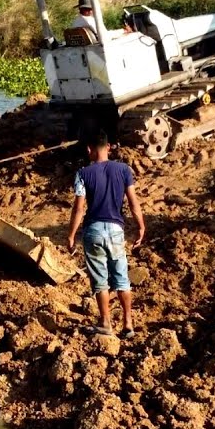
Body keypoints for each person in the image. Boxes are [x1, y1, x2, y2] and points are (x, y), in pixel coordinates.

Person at [66, 132, 145, 337]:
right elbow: (133, 202)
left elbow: (79, 209)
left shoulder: (83, 174)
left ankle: (105, 323)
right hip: (116, 230)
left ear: (89, 149)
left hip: (93, 231)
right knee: (122, 278)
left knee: (100, 280)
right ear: (108, 147)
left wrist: (71, 235)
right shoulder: (124, 170)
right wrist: (141, 226)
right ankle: (128, 323)